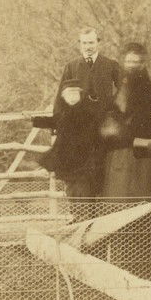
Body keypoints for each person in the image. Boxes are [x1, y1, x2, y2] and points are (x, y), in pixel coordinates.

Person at [38, 28, 122, 218]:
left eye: (91, 43)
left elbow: (124, 90)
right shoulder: (72, 66)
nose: (88, 47)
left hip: (102, 129)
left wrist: (113, 109)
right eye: (84, 43)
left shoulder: (110, 65)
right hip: (79, 132)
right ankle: (79, 217)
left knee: (100, 172)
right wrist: (56, 128)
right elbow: (60, 99)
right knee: (77, 175)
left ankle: (99, 217)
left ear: (98, 43)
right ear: (80, 44)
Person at [100, 42, 151, 201]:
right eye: (128, 61)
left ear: (142, 63)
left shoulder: (149, 86)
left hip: (141, 143)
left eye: (135, 62)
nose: (131, 65)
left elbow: (146, 112)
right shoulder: (123, 83)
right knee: (121, 188)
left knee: (141, 187)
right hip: (124, 144)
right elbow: (117, 108)